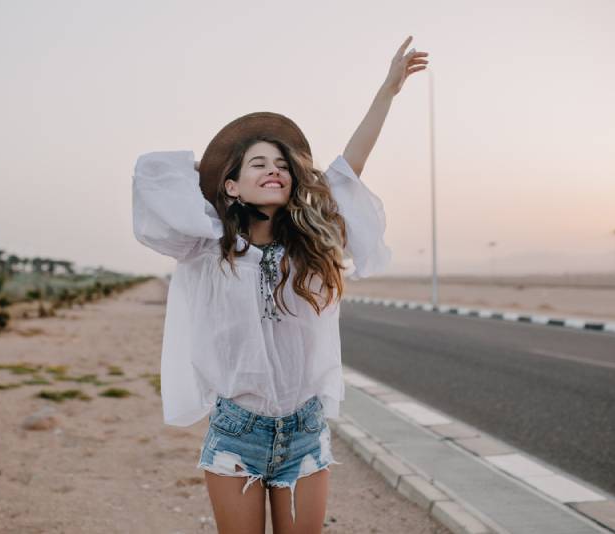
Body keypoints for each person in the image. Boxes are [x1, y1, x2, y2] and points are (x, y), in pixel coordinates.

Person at [132, 36, 429, 534]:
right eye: (258, 165)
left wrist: (387, 91)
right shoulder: (208, 249)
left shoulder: (309, 250)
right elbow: (154, 175)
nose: (274, 170)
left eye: (282, 165)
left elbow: (348, 169)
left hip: (304, 432)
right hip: (236, 435)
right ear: (232, 185)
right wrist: (214, 182)